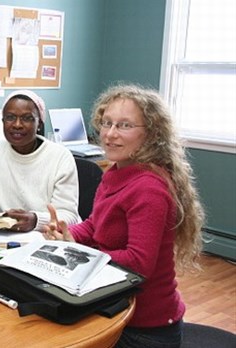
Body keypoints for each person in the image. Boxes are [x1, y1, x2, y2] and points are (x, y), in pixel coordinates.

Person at [45, 84, 205, 348]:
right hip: (116, 307)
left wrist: (79, 253)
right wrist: (67, 234)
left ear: (152, 134)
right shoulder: (116, 171)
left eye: (124, 126)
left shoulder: (149, 188)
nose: (109, 134)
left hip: (146, 328)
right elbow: (96, 224)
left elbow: (139, 263)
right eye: (106, 123)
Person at [0, 90, 81, 232]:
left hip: (51, 237)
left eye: (27, 118)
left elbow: (69, 216)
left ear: (39, 123)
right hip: (9, 237)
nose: (17, 125)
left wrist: (36, 221)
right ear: (2, 121)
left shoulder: (61, 157)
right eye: (10, 117)